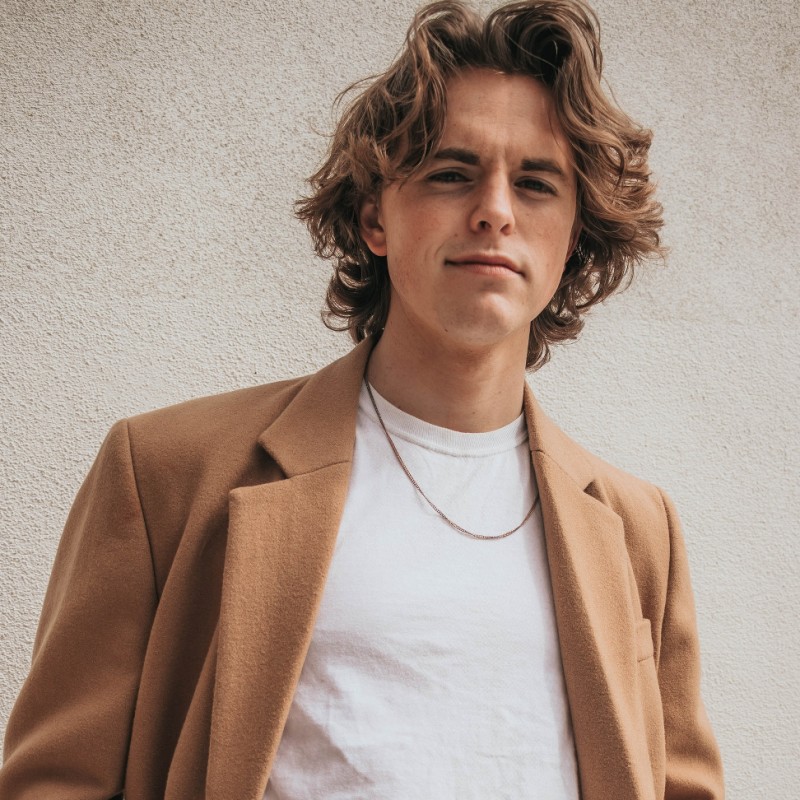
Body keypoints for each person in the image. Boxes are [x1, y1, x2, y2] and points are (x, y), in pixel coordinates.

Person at [0, 0, 724, 797]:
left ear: (575, 234)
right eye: (452, 173)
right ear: (376, 215)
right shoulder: (165, 472)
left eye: (535, 183)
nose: (495, 210)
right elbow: (55, 782)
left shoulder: (637, 527)